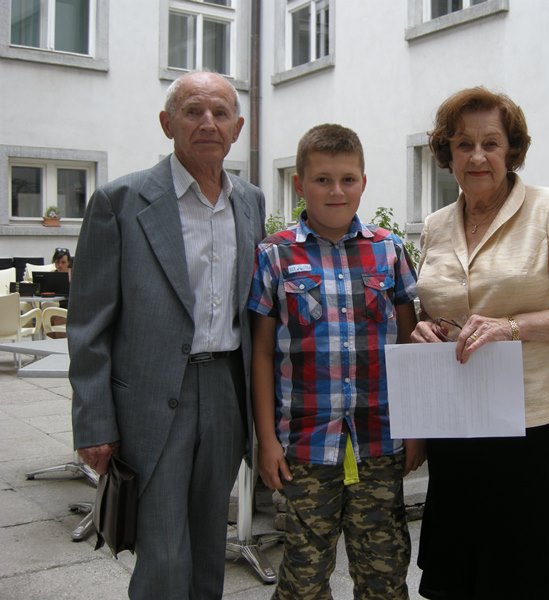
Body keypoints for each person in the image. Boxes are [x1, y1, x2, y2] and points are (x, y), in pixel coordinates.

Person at [68, 71, 266, 599]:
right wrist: (93, 420)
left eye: (220, 113)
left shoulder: (250, 201)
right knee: (163, 549)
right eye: (193, 111)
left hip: (226, 391)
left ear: (238, 127)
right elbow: (88, 323)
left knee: (209, 541)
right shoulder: (120, 201)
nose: (208, 123)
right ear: (167, 123)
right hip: (150, 397)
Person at [409, 87, 549, 599]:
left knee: (527, 567)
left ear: (512, 150)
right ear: (447, 153)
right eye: (463, 144)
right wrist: (425, 327)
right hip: (459, 416)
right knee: (464, 561)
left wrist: (510, 328)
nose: (477, 156)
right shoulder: (435, 225)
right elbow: (432, 305)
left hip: (536, 422)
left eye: (490, 143)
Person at [249, 123, 423, 599]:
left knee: (384, 573)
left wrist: (416, 428)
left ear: (363, 182)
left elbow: (409, 345)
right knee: (303, 577)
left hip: (379, 439)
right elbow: (262, 353)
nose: (336, 191)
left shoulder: (388, 250)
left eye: (348, 179)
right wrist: (267, 440)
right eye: (322, 179)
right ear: (299, 184)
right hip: (305, 444)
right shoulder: (275, 255)